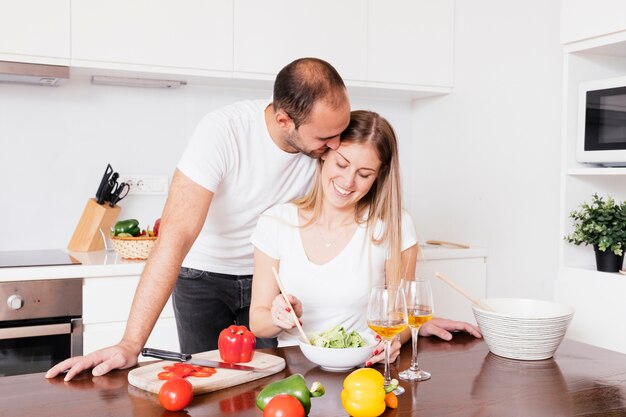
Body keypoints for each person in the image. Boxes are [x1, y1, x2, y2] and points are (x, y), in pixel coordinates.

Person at [46, 57, 352, 381]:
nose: (336, 146)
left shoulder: (325, 144)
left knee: (269, 384)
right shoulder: (223, 132)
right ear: (284, 120)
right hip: (202, 279)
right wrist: (130, 343)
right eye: (324, 139)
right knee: (207, 383)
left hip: (268, 281)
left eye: (340, 132)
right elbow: (174, 239)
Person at [249, 110, 481, 365]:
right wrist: (278, 317)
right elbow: (258, 323)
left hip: (363, 371)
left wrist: (393, 341)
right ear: (324, 153)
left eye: (364, 174)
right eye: (342, 164)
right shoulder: (276, 222)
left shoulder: (394, 225)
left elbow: (399, 317)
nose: (348, 182)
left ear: (379, 176)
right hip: (295, 374)